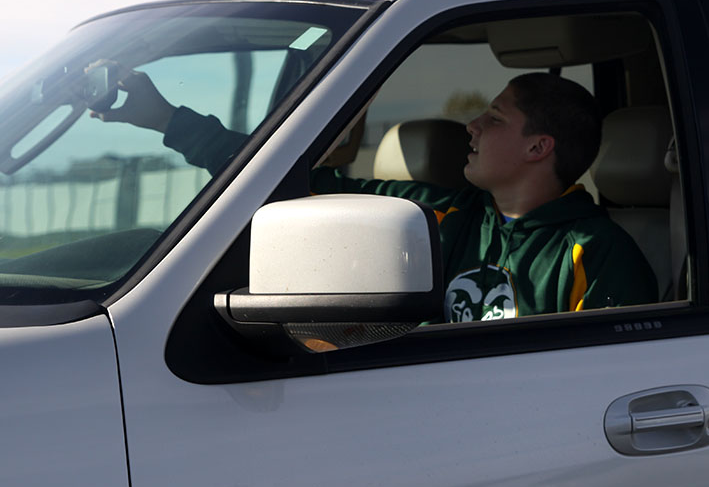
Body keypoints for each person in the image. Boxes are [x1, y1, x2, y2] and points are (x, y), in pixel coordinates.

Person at [93, 67, 657, 322]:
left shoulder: (598, 253)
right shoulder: (440, 213)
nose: (472, 127)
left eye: (494, 118)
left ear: (538, 148)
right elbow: (295, 186)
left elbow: (606, 377)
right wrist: (165, 117)